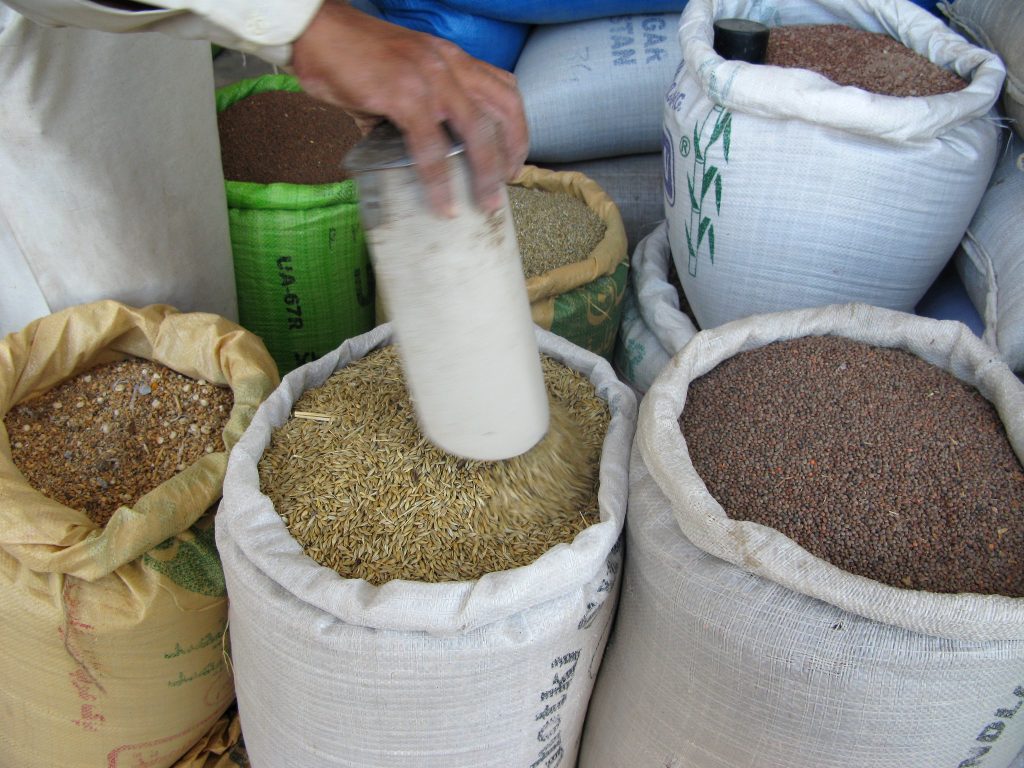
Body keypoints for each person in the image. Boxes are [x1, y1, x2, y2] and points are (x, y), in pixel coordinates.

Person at [0, 0, 528, 336]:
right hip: (34, 73)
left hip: (141, 39)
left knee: (191, 290)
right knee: (92, 333)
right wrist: (308, 24)